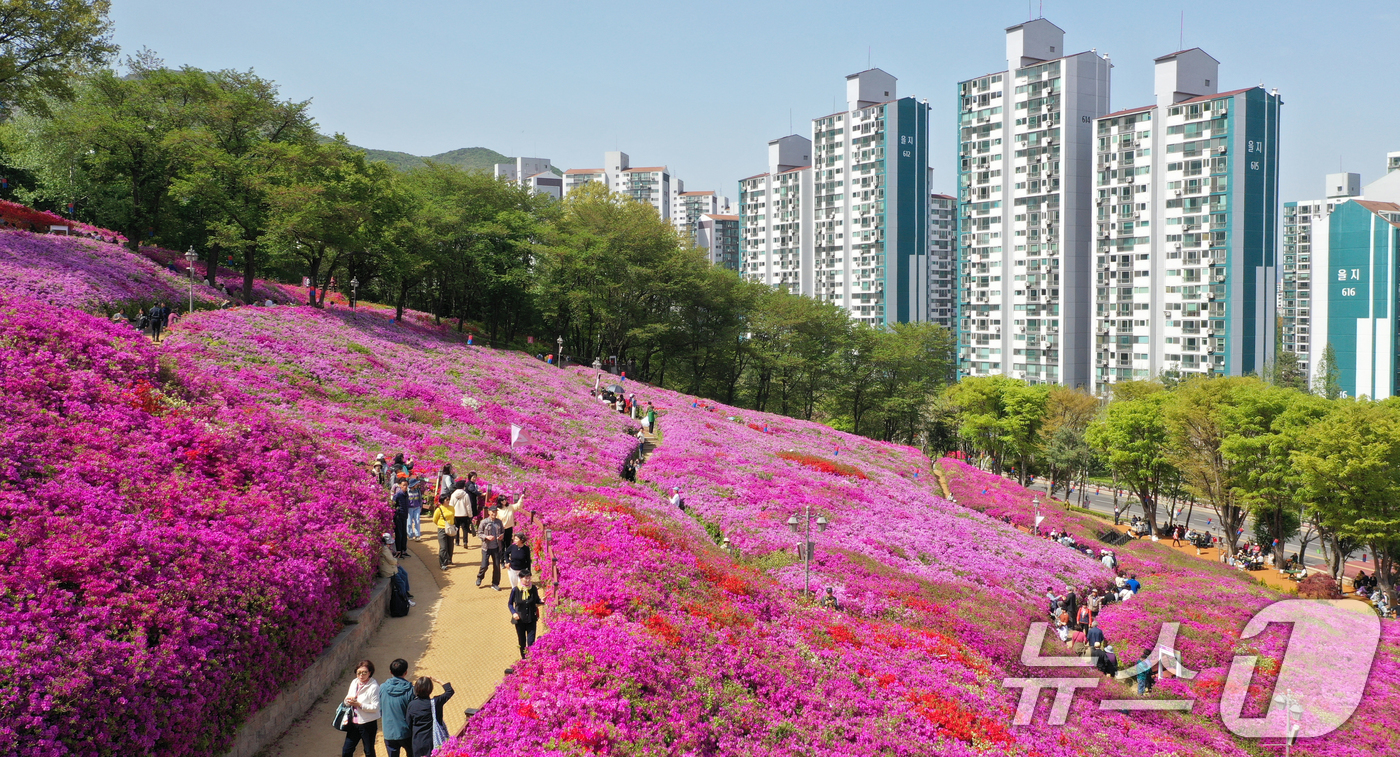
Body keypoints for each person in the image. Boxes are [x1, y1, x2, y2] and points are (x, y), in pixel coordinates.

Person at [406, 677, 454, 757]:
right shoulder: (436, 702)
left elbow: (408, 724)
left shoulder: (412, 705)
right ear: (430, 689)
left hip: (417, 741)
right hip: (433, 741)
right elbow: (450, 691)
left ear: (416, 689)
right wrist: (438, 680)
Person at [342, 660, 380, 757]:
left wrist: (359, 704)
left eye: (364, 673)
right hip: (353, 723)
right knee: (347, 750)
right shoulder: (354, 682)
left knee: (368, 751)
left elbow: (375, 707)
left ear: (370, 672)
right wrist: (348, 701)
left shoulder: (374, 687)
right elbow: (347, 699)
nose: (361, 676)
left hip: (367, 723)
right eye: (358, 673)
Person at [380, 659, 414, 757]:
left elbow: (380, 708)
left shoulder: (382, 687)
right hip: (406, 732)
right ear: (406, 672)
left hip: (388, 732)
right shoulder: (411, 690)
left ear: (390, 672)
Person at [508, 571, 543, 659]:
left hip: (531, 619)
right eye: (525, 578)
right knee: (522, 641)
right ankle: (524, 658)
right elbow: (510, 604)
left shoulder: (533, 588)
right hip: (520, 620)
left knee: (531, 641)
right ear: (521, 578)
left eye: (529, 578)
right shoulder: (515, 590)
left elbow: (536, 600)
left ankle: (531, 658)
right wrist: (514, 612)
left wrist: (541, 601)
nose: (527, 580)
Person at [477, 504, 505, 589]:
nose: (494, 513)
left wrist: (501, 536)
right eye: (492, 512)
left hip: (496, 547)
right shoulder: (484, 522)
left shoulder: (499, 522)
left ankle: (495, 583)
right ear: (489, 512)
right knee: (484, 565)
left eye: (495, 512)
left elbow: (503, 532)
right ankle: (480, 577)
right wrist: (486, 537)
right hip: (486, 547)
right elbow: (479, 533)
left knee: (497, 566)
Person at [432, 497, 455, 570]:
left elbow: (453, 517)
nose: (448, 501)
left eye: (449, 499)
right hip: (442, 529)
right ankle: (442, 563)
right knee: (443, 547)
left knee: (450, 545)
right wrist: (441, 525)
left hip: (450, 528)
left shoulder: (452, 508)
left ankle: (449, 560)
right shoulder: (439, 509)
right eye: (447, 500)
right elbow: (435, 519)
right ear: (442, 501)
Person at [392, 484, 410, 558]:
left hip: (404, 516)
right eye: (404, 485)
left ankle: (403, 550)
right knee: (399, 534)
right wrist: (396, 514)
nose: (405, 486)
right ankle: (398, 551)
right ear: (400, 486)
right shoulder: (397, 495)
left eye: (406, 485)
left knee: (404, 533)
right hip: (399, 517)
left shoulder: (406, 494)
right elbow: (393, 505)